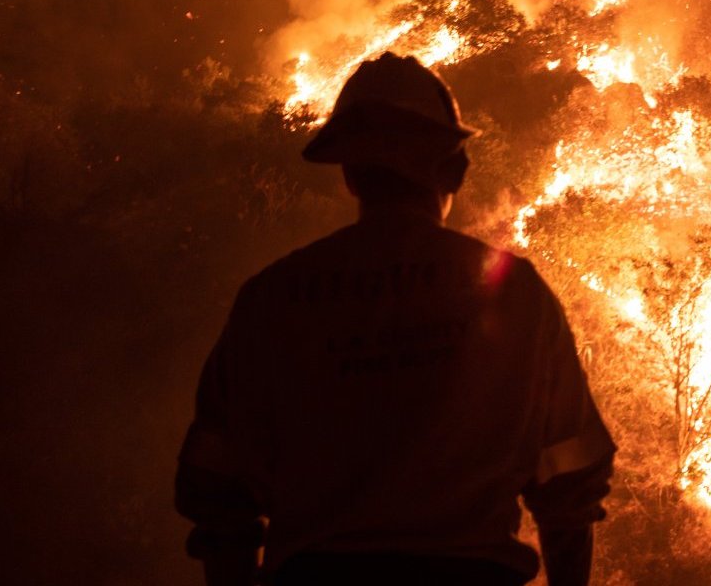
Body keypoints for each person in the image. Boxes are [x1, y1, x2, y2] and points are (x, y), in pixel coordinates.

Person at [175, 53, 616, 586]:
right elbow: (570, 485)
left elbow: (217, 495)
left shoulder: (271, 299)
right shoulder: (514, 292)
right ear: (454, 168)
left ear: (350, 176)